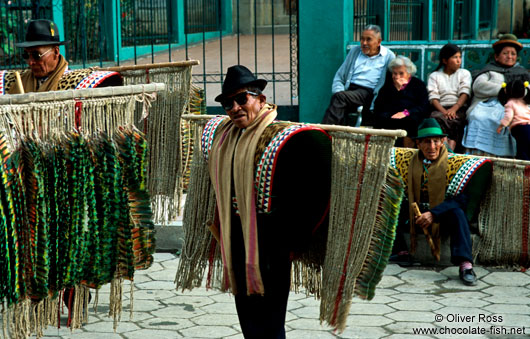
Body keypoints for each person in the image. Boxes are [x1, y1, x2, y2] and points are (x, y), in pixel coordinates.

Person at [205, 65, 331, 338]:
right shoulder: (225, 138)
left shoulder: (286, 138)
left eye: (242, 99)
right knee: (248, 322)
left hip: (273, 245)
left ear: (261, 100)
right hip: (236, 239)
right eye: (228, 103)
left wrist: (292, 240)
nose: (235, 107)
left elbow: (315, 192)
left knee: (271, 324)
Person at [390, 119, 492, 286]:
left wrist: (433, 213)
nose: (432, 147)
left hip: (441, 217)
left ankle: (465, 264)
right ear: (418, 143)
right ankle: (400, 251)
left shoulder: (455, 163)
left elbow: (463, 199)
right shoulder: (408, 162)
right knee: (390, 203)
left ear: (443, 141)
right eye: (426, 142)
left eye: (436, 141)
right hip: (414, 217)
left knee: (458, 213)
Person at [5, 19, 121, 94]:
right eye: (26, 55)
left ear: (56, 52)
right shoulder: (18, 81)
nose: (30, 62)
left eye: (36, 55)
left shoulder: (77, 84)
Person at [462, 34, 530, 157]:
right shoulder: (489, 71)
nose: (509, 56)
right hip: (489, 104)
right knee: (479, 118)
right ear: (496, 56)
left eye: (513, 54)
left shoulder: (523, 73)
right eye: (505, 53)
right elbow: (479, 86)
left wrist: (519, 92)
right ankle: (482, 157)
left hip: (515, 106)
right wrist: (503, 89)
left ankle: (514, 158)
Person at [322, 24, 395, 126]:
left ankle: (326, 133)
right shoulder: (355, 51)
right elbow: (339, 77)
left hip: (369, 93)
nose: (364, 43)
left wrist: (340, 96)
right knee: (339, 99)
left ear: (379, 42)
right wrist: (338, 92)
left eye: (368, 39)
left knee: (340, 99)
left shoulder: (388, 56)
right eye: (362, 39)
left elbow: (391, 83)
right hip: (348, 92)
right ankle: (334, 135)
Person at [373, 55, 430, 147]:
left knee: (410, 122)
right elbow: (379, 105)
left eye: (401, 73)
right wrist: (398, 91)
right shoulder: (387, 86)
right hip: (391, 116)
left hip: (410, 116)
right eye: (394, 73)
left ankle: (406, 153)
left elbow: (423, 106)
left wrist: (406, 113)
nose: (397, 77)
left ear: (409, 73)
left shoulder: (418, 85)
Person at [427, 44, 471, 152]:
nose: (459, 60)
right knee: (436, 118)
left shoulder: (464, 73)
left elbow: (464, 93)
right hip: (440, 108)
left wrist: (454, 109)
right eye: (455, 57)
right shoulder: (435, 76)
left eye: (460, 57)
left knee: (456, 120)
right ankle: (443, 146)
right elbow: (433, 98)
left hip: (458, 107)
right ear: (445, 60)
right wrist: (444, 111)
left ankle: (452, 148)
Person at [497, 80, 530, 160]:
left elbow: (509, 116)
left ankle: (524, 164)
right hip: (528, 126)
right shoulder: (524, 102)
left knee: (521, 147)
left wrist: (502, 125)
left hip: (519, 128)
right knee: (527, 146)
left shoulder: (510, 103)